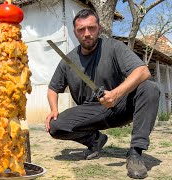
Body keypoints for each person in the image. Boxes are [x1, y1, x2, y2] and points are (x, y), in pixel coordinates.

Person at [46, 9, 160, 179]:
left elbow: (143, 71)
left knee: (150, 88)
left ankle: (136, 152)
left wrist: (115, 94)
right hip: (90, 111)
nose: (87, 34)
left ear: (99, 28)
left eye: (91, 28)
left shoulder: (114, 47)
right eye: (81, 30)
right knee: (55, 126)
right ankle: (95, 140)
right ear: (74, 32)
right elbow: (52, 88)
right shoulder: (67, 61)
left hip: (120, 105)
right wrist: (53, 109)